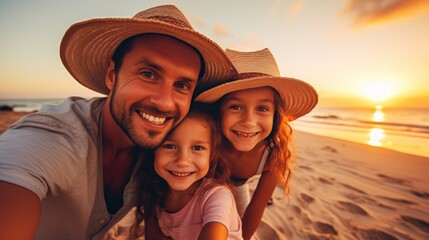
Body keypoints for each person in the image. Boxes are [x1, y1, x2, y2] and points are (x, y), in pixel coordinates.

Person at [0, 5, 236, 240]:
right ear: (112, 74)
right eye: (148, 74)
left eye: (182, 85)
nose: (165, 103)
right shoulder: (55, 139)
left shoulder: (165, 150)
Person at [195, 48, 318, 240]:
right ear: (219, 110)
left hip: (238, 187)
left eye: (262, 108)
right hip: (199, 186)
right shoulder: (207, 138)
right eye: (236, 106)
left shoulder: (274, 153)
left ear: (275, 115)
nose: (249, 122)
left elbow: (256, 208)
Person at [132, 103, 243, 240]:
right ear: (153, 149)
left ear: (212, 154)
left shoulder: (216, 196)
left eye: (197, 148)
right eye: (170, 146)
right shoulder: (153, 190)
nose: (182, 161)